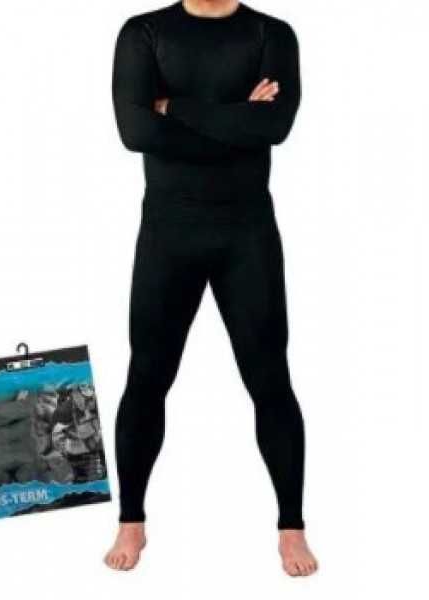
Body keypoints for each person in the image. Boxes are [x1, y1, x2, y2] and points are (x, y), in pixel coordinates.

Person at [104, 0, 318, 577]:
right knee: (147, 377)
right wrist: (235, 121)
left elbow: (273, 127)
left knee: (270, 379)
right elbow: (135, 132)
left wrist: (174, 107)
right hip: (167, 236)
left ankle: (292, 527)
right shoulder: (144, 33)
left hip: (247, 237)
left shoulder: (272, 34)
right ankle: (131, 520)